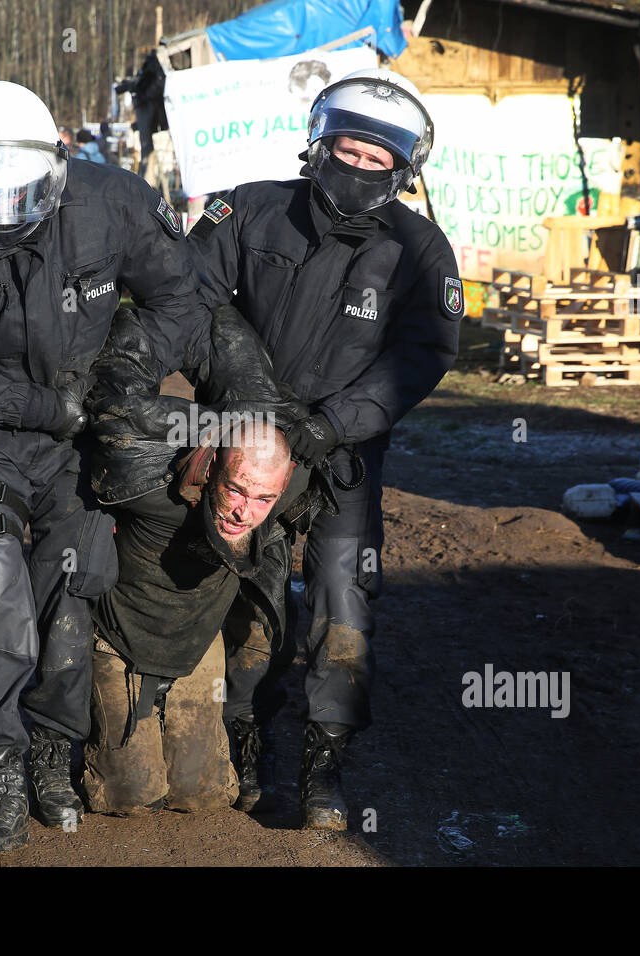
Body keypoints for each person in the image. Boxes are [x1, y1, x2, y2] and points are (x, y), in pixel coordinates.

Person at [0, 81, 210, 853]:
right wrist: (40, 407)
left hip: (86, 435)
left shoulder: (115, 203)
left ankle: (55, 752)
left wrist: (120, 379)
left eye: (16, 196)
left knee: (70, 594)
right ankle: (0, 767)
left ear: (55, 169)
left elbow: (178, 301)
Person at [187, 68, 464, 831]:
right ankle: (245, 748)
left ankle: (324, 767)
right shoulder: (248, 209)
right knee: (247, 597)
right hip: (244, 445)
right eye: (349, 149)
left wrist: (335, 423)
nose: (360, 167)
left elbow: (424, 354)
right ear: (319, 142)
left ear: (406, 171)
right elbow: (191, 301)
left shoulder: (420, 249)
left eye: (380, 161)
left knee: (343, 601)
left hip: (345, 453)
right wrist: (245, 399)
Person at [79, 305, 323, 814]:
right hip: (121, 638)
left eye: (262, 499)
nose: (243, 511)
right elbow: (112, 406)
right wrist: (216, 422)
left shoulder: (288, 485)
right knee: (129, 795)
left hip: (195, 646)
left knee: (202, 796)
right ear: (212, 465)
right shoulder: (146, 484)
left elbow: (297, 427)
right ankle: (66, 733)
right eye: (235, 489)